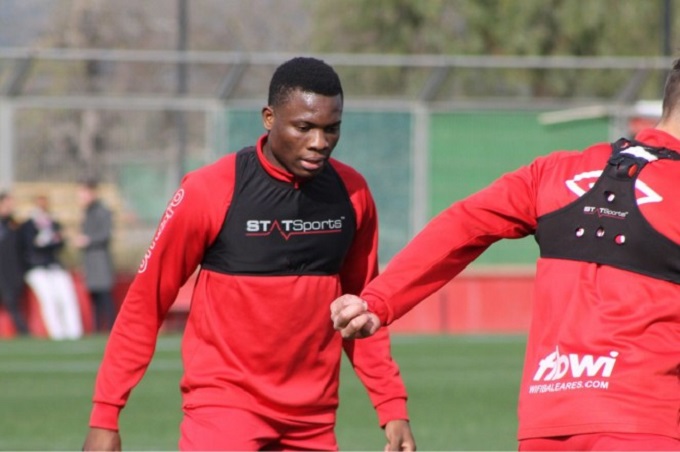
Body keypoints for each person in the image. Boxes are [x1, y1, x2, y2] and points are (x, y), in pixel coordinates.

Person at [331, 60, 680, 451]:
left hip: (547, 422)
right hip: (649, 423)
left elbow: (463, 224)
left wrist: (378, 300)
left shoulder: (554, 171)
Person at [82, 57, 416, 451]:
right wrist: (106, 415)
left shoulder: (352, 195)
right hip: (224, 410)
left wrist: (392, 407)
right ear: (269, 118)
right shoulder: (211, 190)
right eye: (304, 127)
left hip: (312, 419)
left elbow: (363, 311)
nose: (319, 142)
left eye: (332, 129)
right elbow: (145, 304)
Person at [20, 194, 83, 340]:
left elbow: (59, 243)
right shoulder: (29, 225)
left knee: (67, 298)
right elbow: (31, 246)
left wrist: (49, 241)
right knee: (50, 299)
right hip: (38, 267)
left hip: (54, 266)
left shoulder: (53, 223)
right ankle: (57, 334)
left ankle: (74, 333)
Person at [74, 179, 116, 333]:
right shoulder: (87, 212)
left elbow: (105, 235)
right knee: (95, 299)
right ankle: (97, 329)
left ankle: (112, 327)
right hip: (90, 261)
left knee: (105, 296)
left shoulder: (103, 211)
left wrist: (88, 240)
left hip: (100, 260)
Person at [0, 191, 30, 336]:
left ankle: (25, 334)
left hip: (11, 274)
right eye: (7, 204)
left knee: (13, 305)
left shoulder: (15, 225)